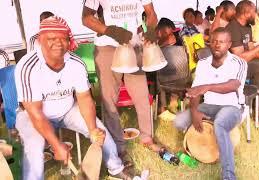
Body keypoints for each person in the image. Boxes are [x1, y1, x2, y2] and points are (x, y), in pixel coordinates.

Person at [15, 16, 131, 180]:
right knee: (34, 145)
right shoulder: (28, 67)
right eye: (51, 38)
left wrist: (92, 130)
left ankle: (116, 168)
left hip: (68, 110)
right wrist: (56, 145)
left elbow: (84, 99)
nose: (58, 43)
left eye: (63, 38)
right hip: (32, 116)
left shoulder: (76, 63)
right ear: (41, 40)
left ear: (69, 41)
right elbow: (35, 113)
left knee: (100, 132)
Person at [82, 0, 161, 160]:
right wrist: (109, 30)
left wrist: (151, 29)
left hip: (134, 46)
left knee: (142, 95)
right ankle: (118, 146)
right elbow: (86, 18)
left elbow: (151, 13)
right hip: (107, 47)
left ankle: (146, 138)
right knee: (109, 99)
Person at [174, 27, 247, 180]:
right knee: (179, 121)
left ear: (229, 44)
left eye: (221, 42)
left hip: (232, 107)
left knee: (220, 122)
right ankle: (201, 147)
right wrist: (194, 111)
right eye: (213, 41)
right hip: (209, 106)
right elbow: (195, 91)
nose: (217, 44)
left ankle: (228, 176)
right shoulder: (203, 63)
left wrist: (207, 87)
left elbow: (233, 85)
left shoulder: (239, 63)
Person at [225, 0, 259, 127]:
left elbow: (250, 49)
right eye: (254, 12)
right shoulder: (233, 28)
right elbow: (240, 57)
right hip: (234, 67)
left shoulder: (247, 26)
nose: (256, 14)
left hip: (245, 62)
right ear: (246, 13)